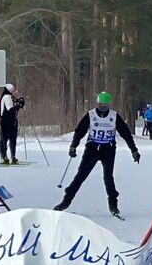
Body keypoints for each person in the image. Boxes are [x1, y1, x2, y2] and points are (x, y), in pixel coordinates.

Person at [55, 91, 139, 219]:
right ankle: (66, 202)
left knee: (108, 177)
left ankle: (113, 205)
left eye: (105, 104)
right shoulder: (91, 115)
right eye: (100, 103)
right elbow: (80, 131)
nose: (102, 106)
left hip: (108, 149)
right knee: (80, 176)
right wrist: (73, 146)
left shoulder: (114, 116)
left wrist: (134, 150)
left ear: (108, 104)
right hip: (92, 149)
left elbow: (126, 133)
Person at [0, 83, 24, 165]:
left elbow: (15, 107)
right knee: (4, 139)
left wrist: (20, 103)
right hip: (6, 121)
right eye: (12, 89)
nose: (14, 91)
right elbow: (10, 109)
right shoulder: (6, 97)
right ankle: (4, 156)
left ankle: (12, 156)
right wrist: (18, 105)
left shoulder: (11, 97)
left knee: (12, 139)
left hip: (12, 121)